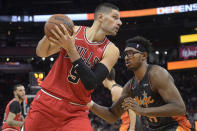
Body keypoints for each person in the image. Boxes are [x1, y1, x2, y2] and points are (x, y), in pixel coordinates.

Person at [24, 2, 122, 131]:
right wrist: (49, 34)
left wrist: (71, 49)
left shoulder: (111, 50)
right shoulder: (73, 31)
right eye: (115, 17)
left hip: (76, 110)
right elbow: (42, 52)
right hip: (48, 101)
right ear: (100, 17)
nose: (120, 22)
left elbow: (91, 82)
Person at [87, 36, 192, 131]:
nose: (127, 57)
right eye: (125, 54)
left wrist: (143, 111)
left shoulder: (156, 74)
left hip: (176, 126)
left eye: (131, 53)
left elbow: (180, 108)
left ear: (144, 56)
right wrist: (89, 103)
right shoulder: (130, 86)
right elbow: (112, 115)